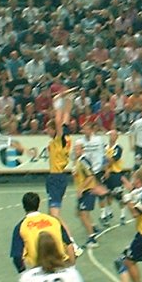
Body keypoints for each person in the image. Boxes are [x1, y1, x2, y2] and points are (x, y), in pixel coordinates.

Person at [45, 89, 82, 256]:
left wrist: (56, 103)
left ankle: (72, 244)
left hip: (56, 178)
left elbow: (59, 121)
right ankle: (60, 242)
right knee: (51, 215)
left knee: (55, 216)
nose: (46, 131)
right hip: (58, 178)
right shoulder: (66, 138)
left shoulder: (59, 139)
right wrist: (68, 100)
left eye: (48, 129)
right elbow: (65, 118)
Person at [10, 192, 75, 273]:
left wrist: (24, 273)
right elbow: (69, 245)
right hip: (60, 266)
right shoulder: (54, 221)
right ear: (39, 204)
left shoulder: (20, 227)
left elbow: (17, 256)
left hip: (38, 269)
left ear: (23, 206)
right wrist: (72, 267)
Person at [72, 139, 108, 249]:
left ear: (82, 150)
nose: (75, 151)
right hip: (83, 190)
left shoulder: (84, 161)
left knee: (83, 214)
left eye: (77, 149)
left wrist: (81, 188)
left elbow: (91, 176)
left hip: (87, 190)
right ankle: (93, 227)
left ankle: (92, 238)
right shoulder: (77, 161)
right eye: (74, 149)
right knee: (79, 213)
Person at [81, 121, 110, 226]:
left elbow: (104, 155)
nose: (86, 131)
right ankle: (91, 221)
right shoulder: (81, 141)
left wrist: (106, 169)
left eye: (87, 129)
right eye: (84, 129)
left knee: (100, 193)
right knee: (87, 194)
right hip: (86, 172)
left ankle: (103, 214)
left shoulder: (98, 140)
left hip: (97, 170)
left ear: (91, 130)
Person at [104, 129, 128, 225]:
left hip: (116, 173)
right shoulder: (105, 147)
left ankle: (123, 215)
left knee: (119, 195)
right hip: (107, 174)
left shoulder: (118, 148)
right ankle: (109, 212)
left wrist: (107, 168)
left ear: (117, 137)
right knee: (108, 193)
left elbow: (112, 160)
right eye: (110, 135)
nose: (111, 137)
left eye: (113, 135)